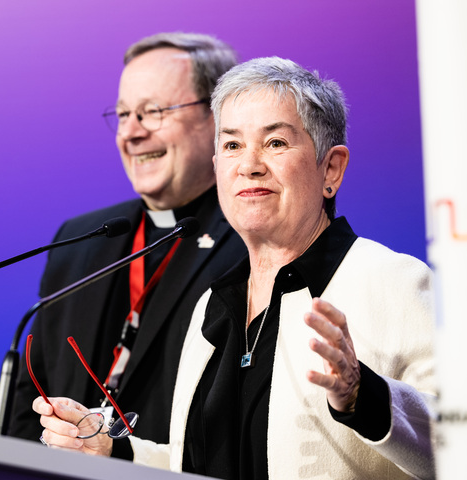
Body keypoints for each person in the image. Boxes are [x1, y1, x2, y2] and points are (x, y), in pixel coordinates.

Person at [33, 57, 437, 480]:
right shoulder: (213, 306)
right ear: (218, 170)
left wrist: (363, 398)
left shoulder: (393, 282)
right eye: (232, 145)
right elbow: (200, 464)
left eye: (275, 143)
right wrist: (113, 451)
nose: (249, 165)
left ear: (331, 168)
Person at [7, 33, 246, 444]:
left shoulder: (252, 243)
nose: (131, 133)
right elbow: (31, 403)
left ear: (217, 117)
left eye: (152, 112)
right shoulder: (78, 241)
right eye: (122, 114)